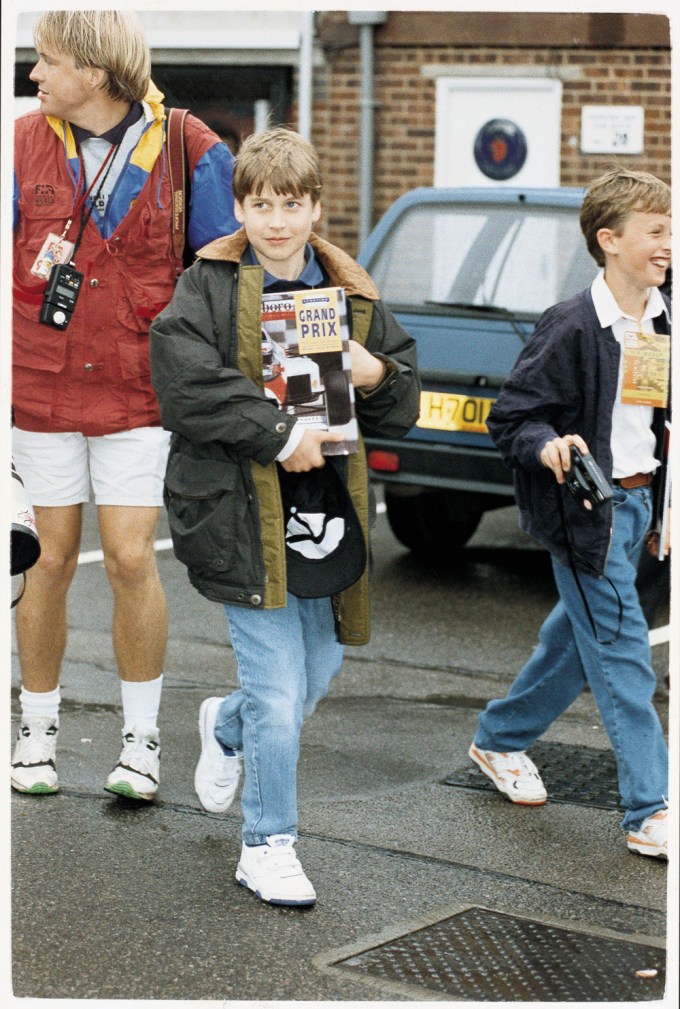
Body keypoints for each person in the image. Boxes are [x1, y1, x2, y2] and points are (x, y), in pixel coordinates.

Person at [149, 127, 420, 905]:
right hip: (240, 513)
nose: (276, 222)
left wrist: (377, 372)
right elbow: (184, 387)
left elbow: (403, 398)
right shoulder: (206, 283)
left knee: (314, 674)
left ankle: (226, 725)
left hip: (327, 513)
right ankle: (267, 843)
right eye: (260, 205)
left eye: (291, 205)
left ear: (315, 209)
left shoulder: (350, 290)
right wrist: (280, 433)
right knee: (278, 689)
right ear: (238, 207)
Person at [11, 10, 239, 801]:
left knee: (134, 557)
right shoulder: (20, 142)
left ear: (97, 72)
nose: (34, 76)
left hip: (140, 389)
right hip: (37, 382)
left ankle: (141, 741)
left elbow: (225, 278)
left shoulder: (191, 147)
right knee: (48, 557)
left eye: (47, 62)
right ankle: (36, 729)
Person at [468, 167, 670, 860]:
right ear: (610, 240)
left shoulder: (665, 319)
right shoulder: (573, 325)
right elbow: (513, 418)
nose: (668, 243)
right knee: (621, 655)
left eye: (670, 229)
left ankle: (498, 738)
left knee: (573, 646)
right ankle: (649, 808)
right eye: (655, 231)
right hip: (591, 513)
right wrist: (549, 444)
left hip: (646, 509)